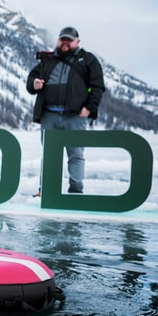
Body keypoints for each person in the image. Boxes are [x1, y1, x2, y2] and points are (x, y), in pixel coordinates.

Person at [26, 26, 105, 194]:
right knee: (49, 156)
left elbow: (98, 87)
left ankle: (75, 190)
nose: (65, 43)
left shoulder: (89, 60)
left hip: (75, 117)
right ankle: (45, 190)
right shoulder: (48, 60)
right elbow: (31, 79)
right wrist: (34, 84)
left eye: (69, 40)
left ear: (77, 42)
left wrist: (89, 109)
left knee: (75, 155)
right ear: (58, 41)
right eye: (63, 39)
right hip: (49, 115)